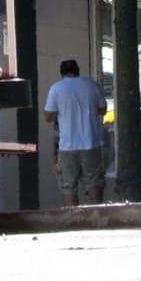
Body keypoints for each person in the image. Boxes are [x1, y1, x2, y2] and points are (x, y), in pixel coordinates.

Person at [43, 58, 107, 206]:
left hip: (67, 146)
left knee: (69, 186)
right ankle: (97, 217)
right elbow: (102, 110)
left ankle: (73, 220)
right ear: (78, 70)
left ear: (62, 73)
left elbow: (48, 116)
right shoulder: (92, 86)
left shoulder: (56, 88)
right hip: (91, 143)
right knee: (94, 182)